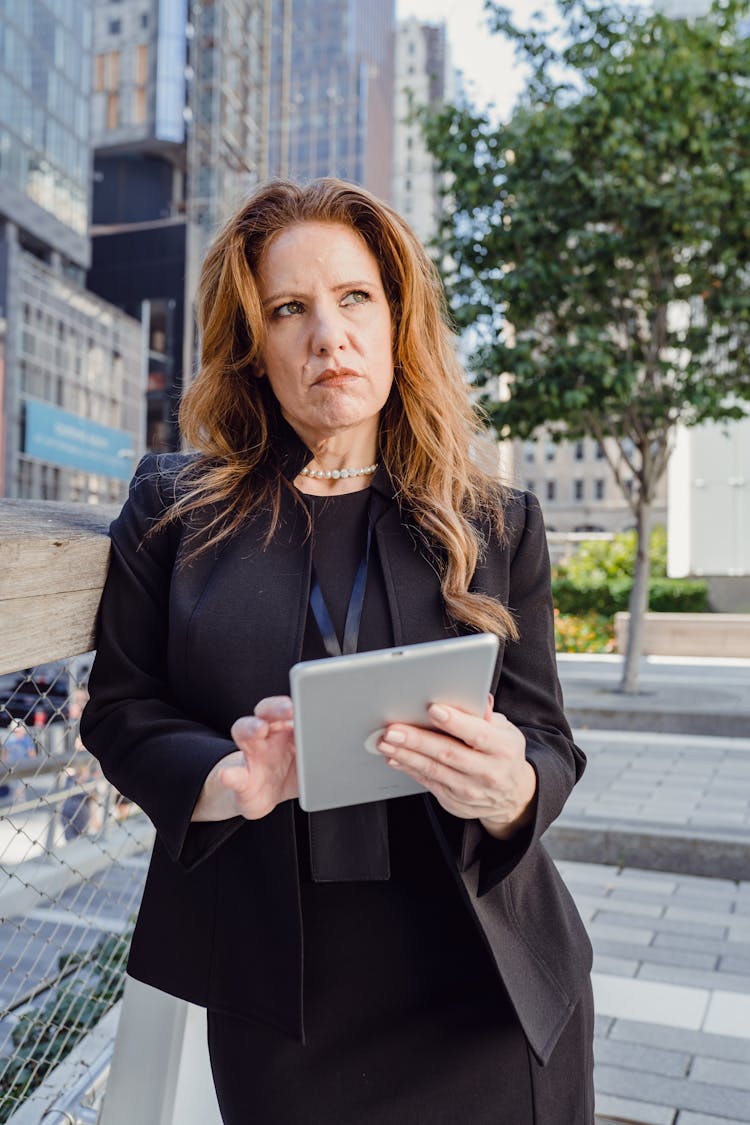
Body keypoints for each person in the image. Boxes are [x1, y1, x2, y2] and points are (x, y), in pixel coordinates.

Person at [80, 177, 594, 1124]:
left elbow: (549, 738)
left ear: (397, 320)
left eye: (355, 297)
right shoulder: (172, 509)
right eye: (290, 309)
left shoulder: (496, 520)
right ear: (254, 347)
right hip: (285, 1005)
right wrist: (224, 777)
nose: (329, 334)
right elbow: (119, 707)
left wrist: (513, 788)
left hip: (486, 991)